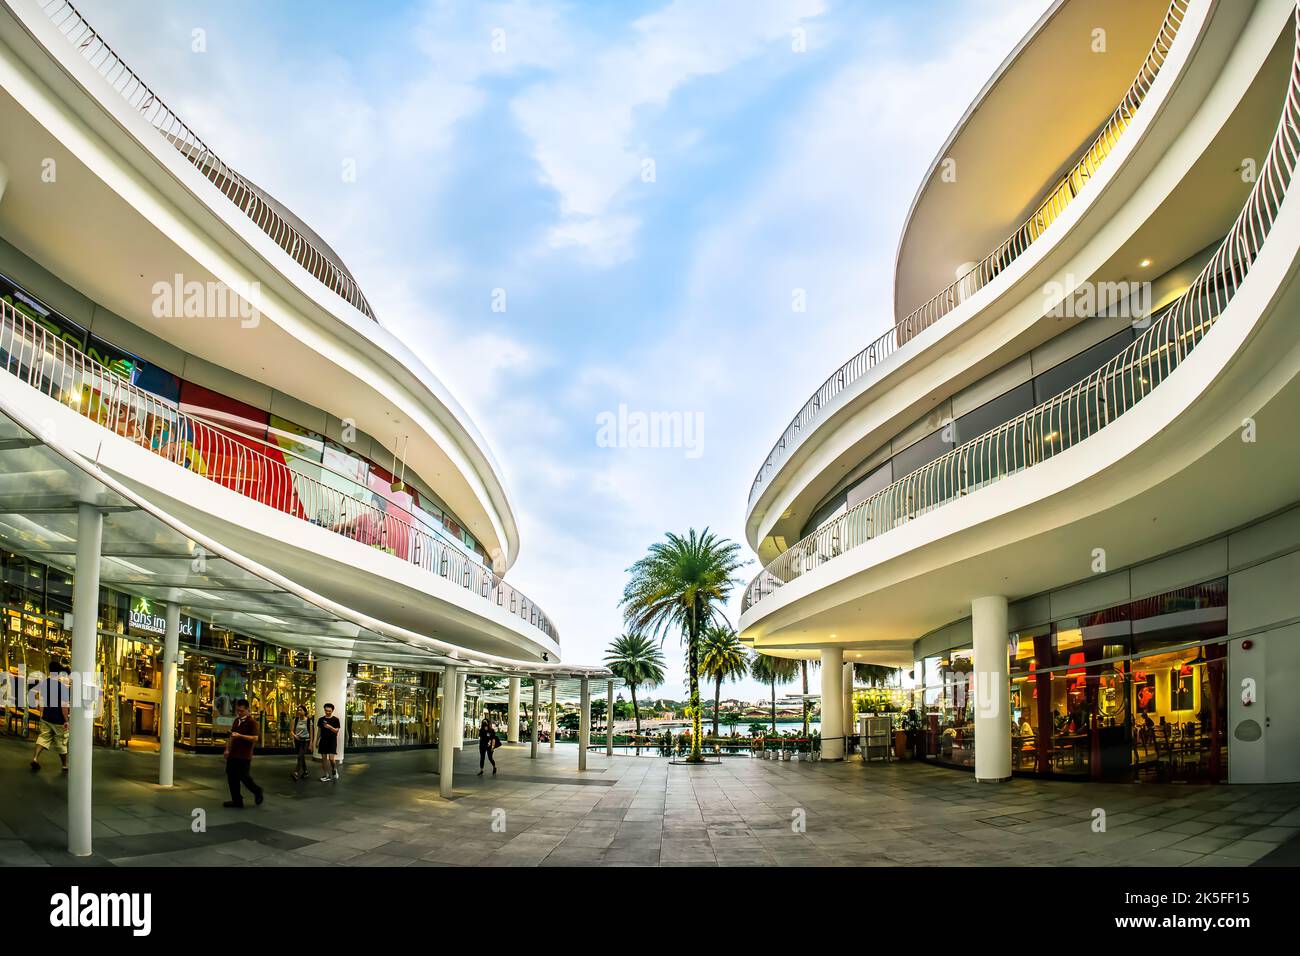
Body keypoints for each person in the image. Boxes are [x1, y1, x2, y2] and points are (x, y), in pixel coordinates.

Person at [222, 698, 263, 808]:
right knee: (231, 777)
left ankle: (257, 791)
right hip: (233, 754)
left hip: (244, 755)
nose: (239, 713)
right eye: (238, 710)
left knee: (244, 777)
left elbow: (255, 738)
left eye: (241, 711)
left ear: (247, 710)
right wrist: (227, 749)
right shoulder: (236, 721)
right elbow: (231, 736)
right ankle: (237, 800)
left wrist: (240, 736)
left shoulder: (252, 722)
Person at [31, 663, 70, 773]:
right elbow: (64, 706)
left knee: (43, 738)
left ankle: (35, 758)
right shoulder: (62, 687)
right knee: (61, 742)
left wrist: (42, 714)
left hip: (46, 717)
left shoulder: (44, 684)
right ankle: (64, 765)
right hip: (58, 720)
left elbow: (41, 701)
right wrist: (66, 720)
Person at [318, 703, 341, 782]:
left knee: (331, 759)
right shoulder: (321, 719)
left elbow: (336, 731)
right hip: (323, 741)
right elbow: (319, 731)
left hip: (332, 741)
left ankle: (334, 769)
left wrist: (329, 727)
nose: (327, 712)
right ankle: (326, 775)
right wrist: (316, 741)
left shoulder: (336, 719)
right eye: (326, 710)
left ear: (332, 711)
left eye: (329, 711)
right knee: (324, 759)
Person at [290, 705, 313, 781]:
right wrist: (295, 736)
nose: (299, 711)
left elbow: (311, 733)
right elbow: (291, 731)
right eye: (298, 710)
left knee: (300, 756)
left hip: (306, 740)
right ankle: (305, 772)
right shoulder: (295, 720)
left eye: (301, 710)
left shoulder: (309, 721)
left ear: (305, 711)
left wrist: (311, 743)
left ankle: (296, 772)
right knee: (301, 756)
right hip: (298, 740)